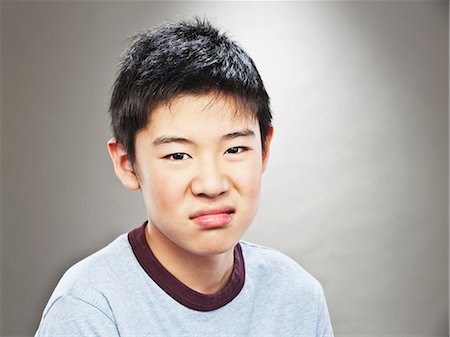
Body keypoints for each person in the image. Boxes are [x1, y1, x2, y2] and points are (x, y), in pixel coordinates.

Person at [35, 18, 334, 336]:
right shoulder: (89, 306)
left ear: (264, 149)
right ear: (127, 163)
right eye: (178, 155)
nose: (212, 185)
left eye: (234, 149)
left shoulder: (298, 296)